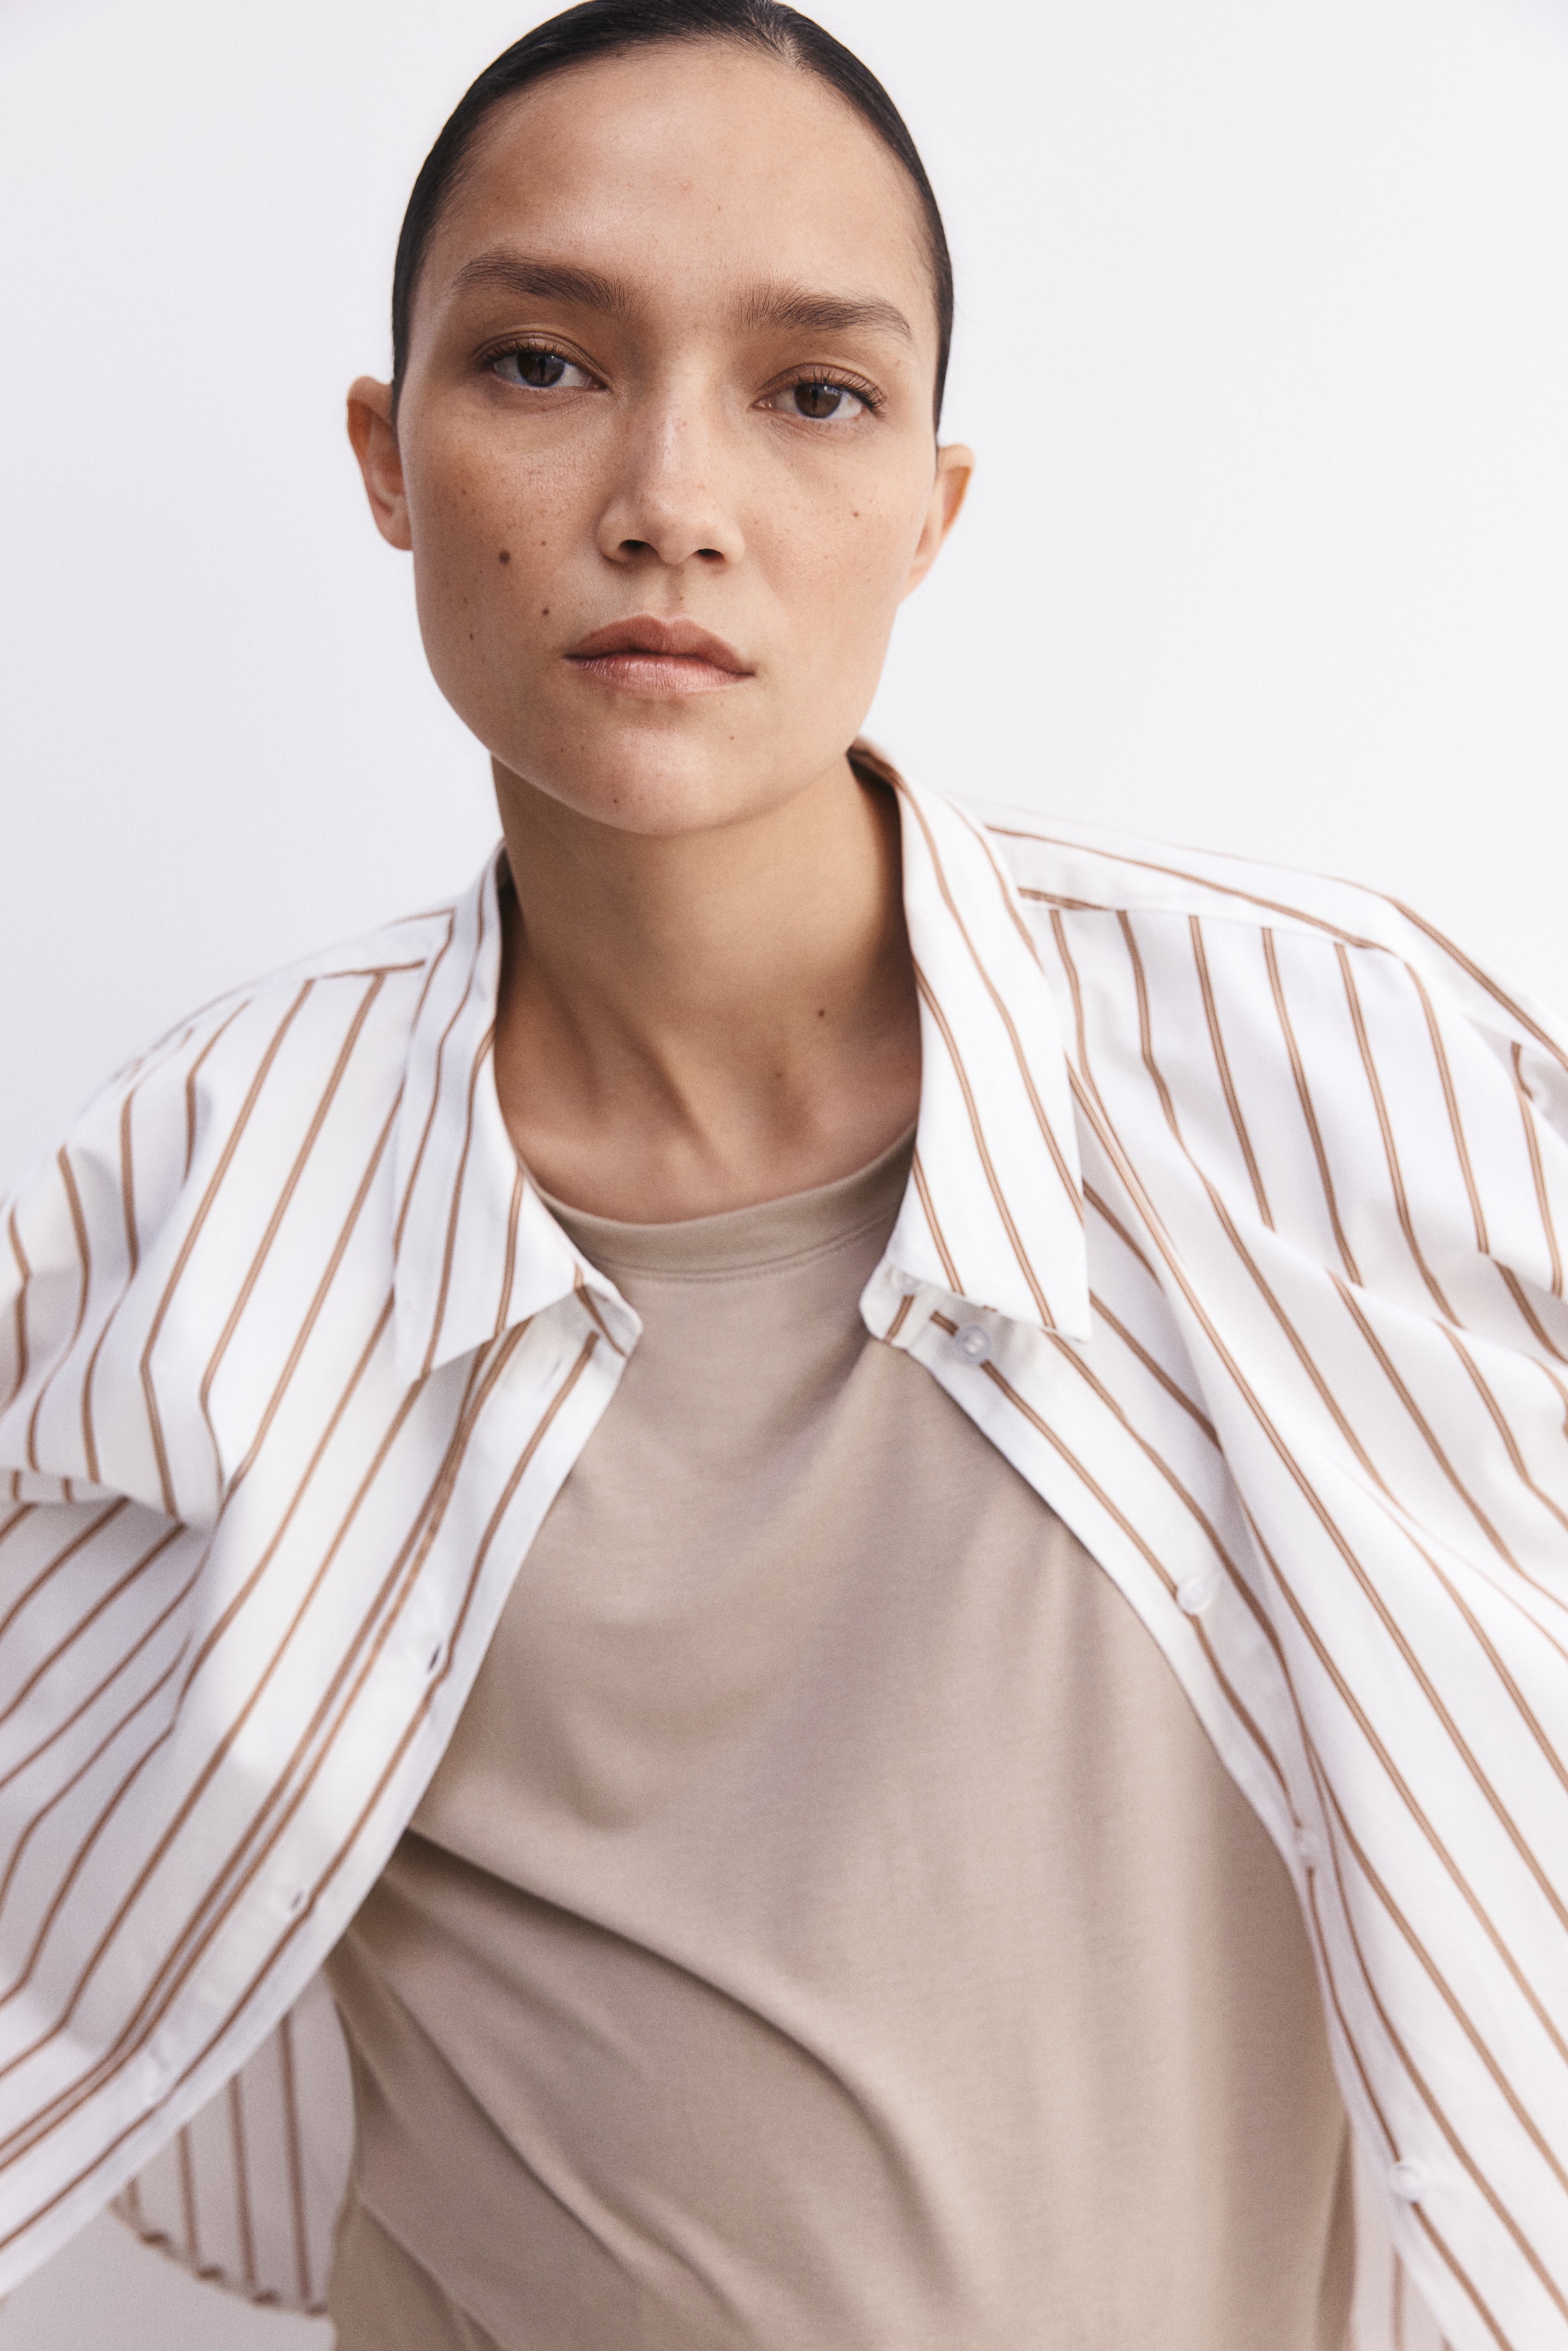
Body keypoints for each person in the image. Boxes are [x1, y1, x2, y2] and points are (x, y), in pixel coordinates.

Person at [2, 3, 1565, 2345]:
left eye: (813, 393)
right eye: (543, 364)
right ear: (389, 455)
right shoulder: (190, 1203)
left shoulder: (1352, 1071)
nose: (671, 498)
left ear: (934, 505)